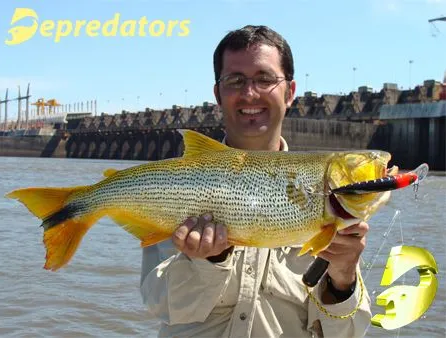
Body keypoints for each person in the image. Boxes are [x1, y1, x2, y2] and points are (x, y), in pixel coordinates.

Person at [140, 25, 372, 337]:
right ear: (217, 94)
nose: (250, 93)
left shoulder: (326, 193)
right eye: (235, 80)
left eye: (264, 79)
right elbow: (161, 304)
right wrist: (209, 262)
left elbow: (348, 334)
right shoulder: (181, 187)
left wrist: (343, 277)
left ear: (290, 92)